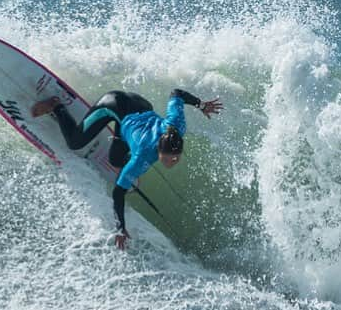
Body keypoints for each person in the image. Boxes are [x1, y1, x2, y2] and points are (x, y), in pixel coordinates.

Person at [32, 89, 222, 249]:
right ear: (158, 151)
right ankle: (56, 106)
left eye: (175, 157)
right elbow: (118, 192)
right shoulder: (142, 156)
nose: (173, 162)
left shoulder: (176, 126)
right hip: (114, 104)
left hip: (140, 106)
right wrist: (120, 227)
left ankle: (120, 131)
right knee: (74, 142)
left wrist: (201, 105)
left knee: (115, 159)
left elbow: (176, 93)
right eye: (168, 159)